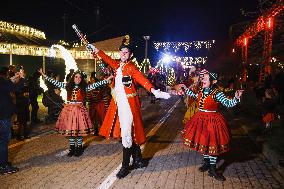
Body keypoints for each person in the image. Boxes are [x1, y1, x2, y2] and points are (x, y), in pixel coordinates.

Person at [87, 35, 171, 179]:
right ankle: (137, 160)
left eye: (126, 52)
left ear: (130, 55)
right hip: (118, 104)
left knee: (126, 133)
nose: (123, 54)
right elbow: (106, 58)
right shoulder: (118, 65)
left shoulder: (131, 67)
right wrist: (95, 49)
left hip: (128, 105)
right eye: (121, 52)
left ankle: (125, 166)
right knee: (129, 132)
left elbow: (142, 80)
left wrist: (154, 91)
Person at [176, 69, 243, 181]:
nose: (203, 80)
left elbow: (228, 103)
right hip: (200, 119)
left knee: (212, 145)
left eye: (206, 78)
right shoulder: (202, 90)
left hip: (212, 121)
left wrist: (236, 97)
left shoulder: (217, 93)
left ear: (213, 81)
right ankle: (207, 163)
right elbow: (195, 95)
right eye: (203, 78)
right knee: (204, 142)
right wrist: (186, 89)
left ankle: (212, 170)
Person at [38, 68, 112, 157]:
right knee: (70, 131)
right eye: (76, 77)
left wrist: (107, 79)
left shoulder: (85, 87)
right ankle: (72, 148)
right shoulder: (67, 86)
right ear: (73, 78)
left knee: (79, 130)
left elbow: (97, 84)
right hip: (69, 110)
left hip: (79, 111)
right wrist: (43, 74)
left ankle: (79, 148)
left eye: (80, 77)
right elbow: (54, 82)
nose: (78, 79)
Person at [0, 66, 25, 175]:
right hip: (3, 116)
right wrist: (22, 78)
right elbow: (15, 88)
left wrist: (15, 78)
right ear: (6, 73)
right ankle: (3, 166)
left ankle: (2, 162)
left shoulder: (3, 81)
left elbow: (9, 83)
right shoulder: (1, 81)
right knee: (3, 141)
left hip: (3, 115)